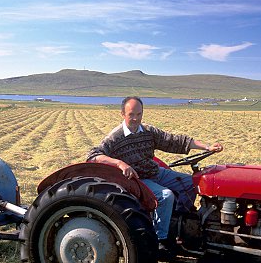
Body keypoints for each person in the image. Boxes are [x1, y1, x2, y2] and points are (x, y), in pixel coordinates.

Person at [87, 96, 222, 251]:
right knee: (165, 196)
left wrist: (207, 147)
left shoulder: (148, 131)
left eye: (139, 114)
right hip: (138, 179)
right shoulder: (115, 137)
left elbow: (176, 141)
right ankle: (161, 239)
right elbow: (93, 155)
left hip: (156, 172)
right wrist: (120, 163)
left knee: (193, 182)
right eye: (131, 114)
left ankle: (179, 222)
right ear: (122, 114)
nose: (135, 118)